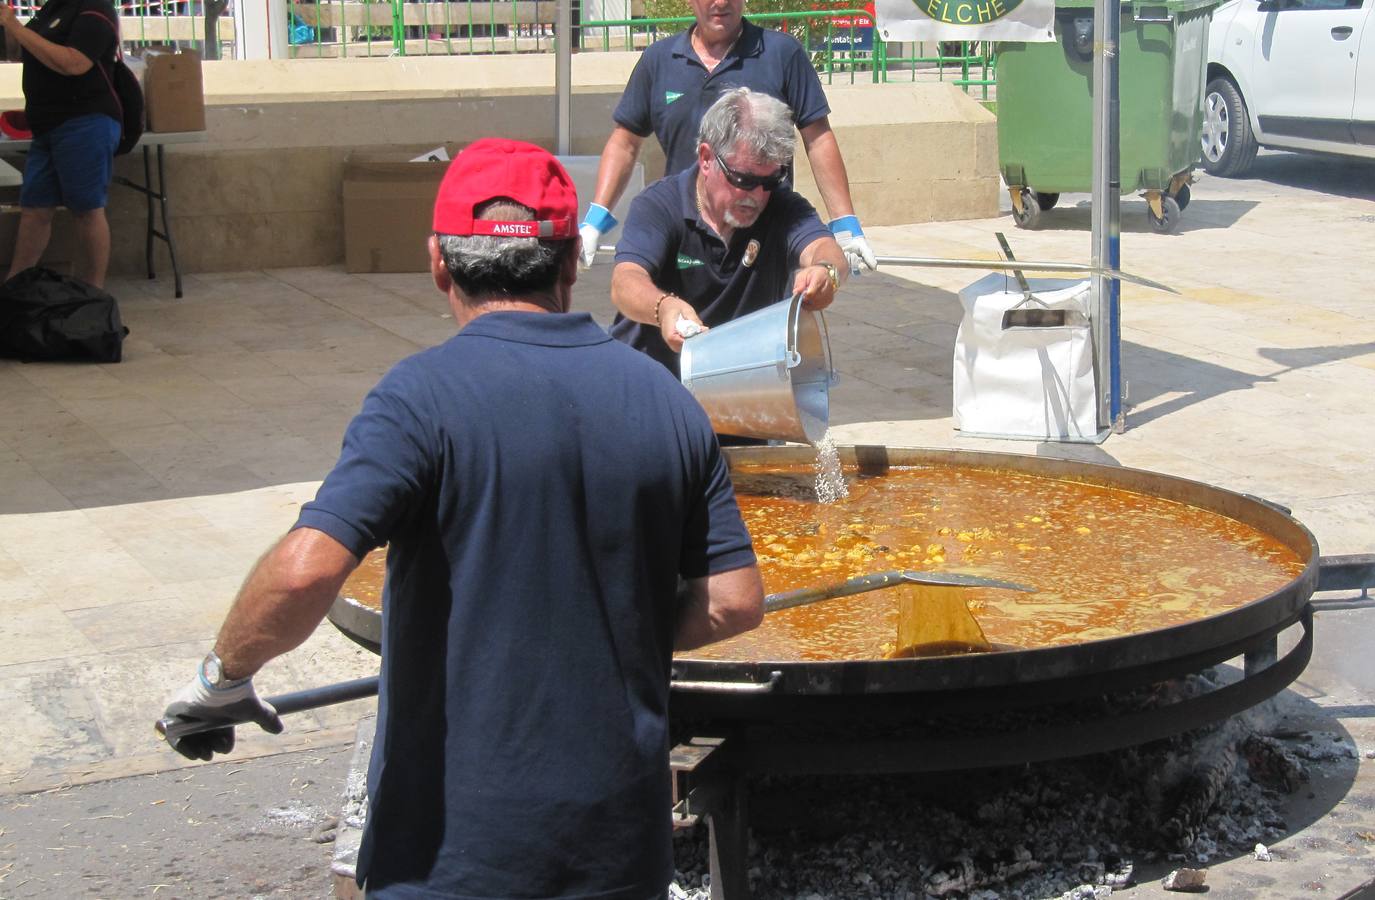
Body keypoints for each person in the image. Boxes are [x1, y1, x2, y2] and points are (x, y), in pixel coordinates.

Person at [158, 139, 765, 898]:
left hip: (453, 854)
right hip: (617, 847)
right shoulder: (667, 402)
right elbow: (736, 599)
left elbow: (305, 566)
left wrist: (223, 678)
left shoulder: (419, 399)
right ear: (571, 264)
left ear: (438, 262)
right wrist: (612, 628)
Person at [578, 0, 876, 275]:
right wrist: (596, 219)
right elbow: (625, 143)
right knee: (681, 325)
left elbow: (818, 139)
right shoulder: (659, 61)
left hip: (764, 242)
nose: (720, 2)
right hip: (685, 242)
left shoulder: (782, 54)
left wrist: (844, 224)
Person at [610, 88, 848, 379]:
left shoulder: (782, 205)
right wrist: (663, 307)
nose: (758, 196)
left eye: (771, 180)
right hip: (653, 384)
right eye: (744, 180)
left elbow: (825, 249)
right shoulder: (659, 205)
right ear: (707, 158)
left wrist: (826, 273)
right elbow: (625, 281)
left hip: (735, 386)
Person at [1, 0, 121, 288]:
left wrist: (16, 27)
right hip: (46, 126)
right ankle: (16, 287)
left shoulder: (95, 10)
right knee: (35, 210)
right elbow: (22, 51)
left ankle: (93, 294)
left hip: (84, 122)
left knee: (86, 210)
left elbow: (74, 63)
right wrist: (9, 26)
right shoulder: (52, 9)